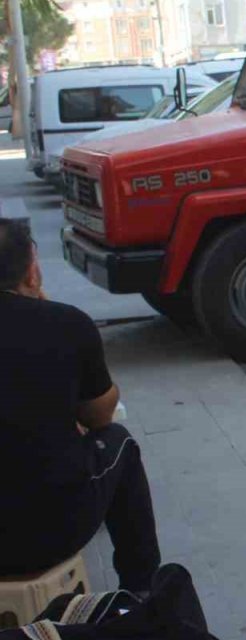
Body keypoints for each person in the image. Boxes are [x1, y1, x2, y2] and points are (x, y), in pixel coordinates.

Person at [0, 218, 161, 593]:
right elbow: (99, 415)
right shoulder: (66, 323)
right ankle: (142, 594)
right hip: (48, 533)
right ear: (33, 272)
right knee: (119, 441)